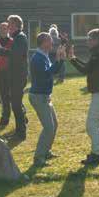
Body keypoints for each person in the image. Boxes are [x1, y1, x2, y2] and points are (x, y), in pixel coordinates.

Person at [68, 28, 99, 165]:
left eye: (90, 39)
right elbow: (88, 67)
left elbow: (85, 70)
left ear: (97, 40)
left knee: (91, 124)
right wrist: (73, 58)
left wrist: (72, 59)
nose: (88, 41)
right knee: (95, 123)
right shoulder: (97, 53)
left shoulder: (97, 54)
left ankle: (96, 154)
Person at [28, 32, 67, 167]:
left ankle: (46, 151)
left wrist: (60, 60)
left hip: (44, 96)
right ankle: (38, 157)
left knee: (54, 125)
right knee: (49, 128)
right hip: (39, 97)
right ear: (43, 43)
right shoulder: (38, 58)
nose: (52, 43)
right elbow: (47, 74)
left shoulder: (43, 55)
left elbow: (51, 71)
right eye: (50, 41)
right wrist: (59, 60)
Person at [0, 15, 30, 140]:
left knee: (16, 105)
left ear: (15, 25)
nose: (8, 26)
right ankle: (20, 130)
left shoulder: (20, 38)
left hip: (18, 76)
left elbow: (16, 55)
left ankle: (21, 133)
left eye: (10, 24)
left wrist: (1, 50)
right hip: (15, 75)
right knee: (15, 104)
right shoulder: (17, 37)